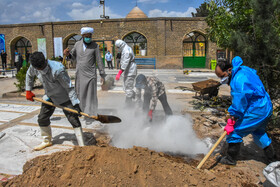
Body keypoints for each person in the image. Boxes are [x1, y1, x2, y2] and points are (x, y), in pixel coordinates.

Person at [215, 56, 276, 165]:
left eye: (222, 76)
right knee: (258, 132)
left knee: (235, 131)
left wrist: (233, 117)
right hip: (265, 106)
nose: (222, 80)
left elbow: (239, 102)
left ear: (229, 70)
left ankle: (230, 159)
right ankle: (272, 159)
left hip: (257, 110)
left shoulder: (238, 80)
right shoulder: (242, 70)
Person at [25, 51, 87, 151]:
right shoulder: (34, 66)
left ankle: (82, 145)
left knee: (73, 119)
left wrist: (75, 103)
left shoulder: (58, 69)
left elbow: (69, 87)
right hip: (49, 96)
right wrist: (28, 90)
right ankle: (47, 141)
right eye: (38, 69)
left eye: (42, 67)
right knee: (42, 118)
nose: (41, 70)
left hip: (64, 97)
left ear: (45, 61)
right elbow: (29, 75)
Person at [64, 27, 106, 124]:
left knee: (90, 96)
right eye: (86, 36)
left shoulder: (95, 46)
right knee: (80, 94)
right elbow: (72, 57)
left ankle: (91, 115)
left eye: (90, 36)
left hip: (91, 75)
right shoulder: (77, 44)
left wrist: (102, 74)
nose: (88, 38)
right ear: (82, 36)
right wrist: (67, 54)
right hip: (80, 74)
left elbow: (99, 61)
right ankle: (81, 111)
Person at [115, 39, 137, 106]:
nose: (118, 49)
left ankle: (129, 105)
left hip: (130, 71)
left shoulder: (126, 51)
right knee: (126, 87)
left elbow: (125, 62)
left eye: (118, 47)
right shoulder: (125, 49)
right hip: (128, 71)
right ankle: (135, 99)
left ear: (120, 45)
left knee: (128, 88)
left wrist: (119, 72)